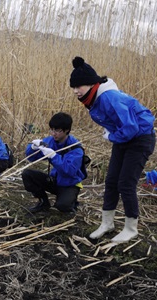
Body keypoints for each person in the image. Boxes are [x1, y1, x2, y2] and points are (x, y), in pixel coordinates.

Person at [70, 56, 155, 243]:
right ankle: (107, 223)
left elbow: (131, 127)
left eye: (79, 86)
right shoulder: (93, 99)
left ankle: (131, 227)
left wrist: (111, 136)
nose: (76, 91)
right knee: (111, 181)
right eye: (73, 88)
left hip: (140, 138)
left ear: (91, 84)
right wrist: (112, 132)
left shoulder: (109, 97)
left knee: (126, 183)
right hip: (124, 139)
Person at [22, 112, 86, 214]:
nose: (53, 133)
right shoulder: (51, 141)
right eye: (52, 129)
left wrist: (54, 156)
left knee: (62, 206)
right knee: (27, 174)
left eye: (57, 130)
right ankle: (43, 202)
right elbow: (32, 158)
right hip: (54, 180)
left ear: (67, 130)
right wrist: (33, 148)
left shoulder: (76, 149)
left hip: (69, 184)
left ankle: (71, 203)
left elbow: (68, 171)